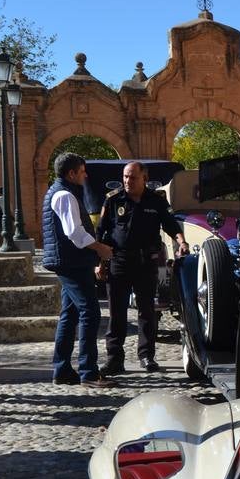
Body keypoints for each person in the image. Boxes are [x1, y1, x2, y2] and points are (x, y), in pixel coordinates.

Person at [97, 160, 188, 373]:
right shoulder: (113, 200)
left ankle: (147, 356)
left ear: (144, 179)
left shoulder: (155, 201)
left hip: (146, 262)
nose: (128, 181)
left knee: (147, 311)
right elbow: (101, 234)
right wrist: (99, 264)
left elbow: (171, 225)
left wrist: (181, 242)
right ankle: (114, 359)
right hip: (119, 261)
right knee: (117, 312)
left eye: (133, 177)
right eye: (125, 177)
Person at [42, 152, 116, 388]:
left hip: (70, 260)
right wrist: (100, 248)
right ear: (71, 173)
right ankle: (89, 372)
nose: (85, 175)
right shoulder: (65, 195)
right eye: (82, 171)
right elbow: (74, 232)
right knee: (90, 313)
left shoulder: (61, 192)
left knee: (70, 314)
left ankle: (62, 369)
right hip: (71, 262)